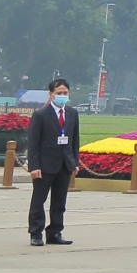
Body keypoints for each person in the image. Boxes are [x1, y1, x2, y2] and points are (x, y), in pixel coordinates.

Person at [26, 76, 79, 246]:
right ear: (51, 95)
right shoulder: (41, 114)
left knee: (59, 201)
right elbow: (33, 142)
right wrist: (34, 166)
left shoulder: (72, 113)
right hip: (44, 165)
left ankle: (55, 232)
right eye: (59, 93)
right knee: (39, 201)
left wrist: (74, 162)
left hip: (64, 164)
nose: (62, 95)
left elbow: (74, 140)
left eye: (65, 92)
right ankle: (36, 233)